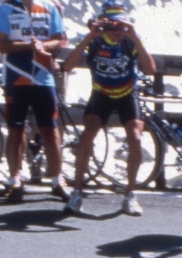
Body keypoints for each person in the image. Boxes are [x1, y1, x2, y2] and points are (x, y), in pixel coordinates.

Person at [61, 0, 155, 215]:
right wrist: (89, 36)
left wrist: (135, 37)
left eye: (121, 26)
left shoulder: (128, 42)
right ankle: (77, 193)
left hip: (126, 94)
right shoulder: (96, 42)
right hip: (101, 93)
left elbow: (150, 69)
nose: (116, 32)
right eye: (112, 26)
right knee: (87, 135)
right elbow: (67, 65)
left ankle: (130, 195)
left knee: (136, 137)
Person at [0, 0, 67, 204]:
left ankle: (57, 181)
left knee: (50, 129)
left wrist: (43, 45)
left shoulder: (49, 6)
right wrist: (28, 45)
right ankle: (15, 179)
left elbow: (60, 40)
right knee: (16, 129)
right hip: (16, 76)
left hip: (43, 77)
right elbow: (2, 44)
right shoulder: (5, 7)